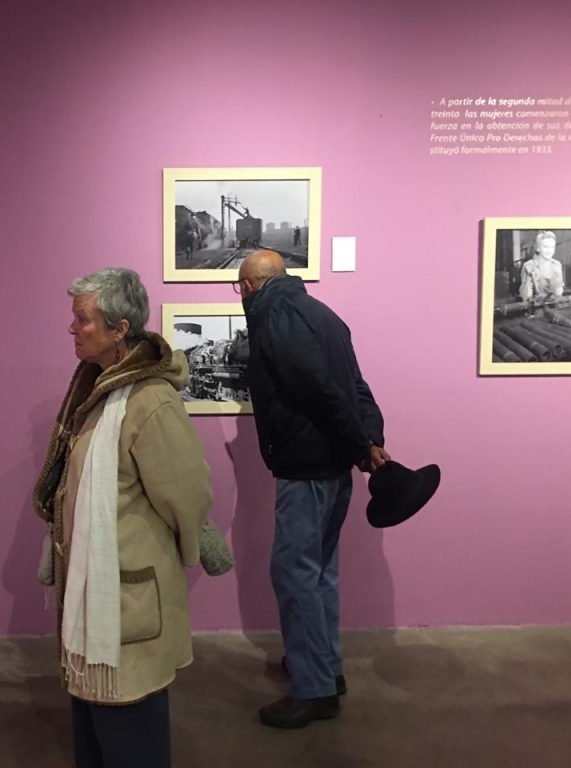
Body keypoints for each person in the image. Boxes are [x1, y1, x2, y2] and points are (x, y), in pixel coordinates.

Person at [33, 268, 213, 768]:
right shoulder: (98, 393)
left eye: (82, 319)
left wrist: (187, 544)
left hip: (127, 597)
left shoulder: (149, 401)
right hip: (96, 597)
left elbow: (187, 493)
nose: (72, 328)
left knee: (132, 732)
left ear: (120, 328)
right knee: (98, 730)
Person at [236, 249, 389, 729]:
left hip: (305, 469)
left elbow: (320, 390)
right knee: (320, 572)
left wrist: (360, 442)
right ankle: (325, 667)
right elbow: (356, 386)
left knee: (296, 574)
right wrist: (369, 440)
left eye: (239, 287)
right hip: (335, 466)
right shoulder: (325, 315)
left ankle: (314, 689)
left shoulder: (275, 318)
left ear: (250, 286)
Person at [519, 231, 564, 307]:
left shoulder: (557, 265)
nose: (549, 251)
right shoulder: (529, 266)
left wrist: (558, 286)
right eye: (545, 247)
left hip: (554, 307)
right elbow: (526, 296)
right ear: (538, 248)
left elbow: (558, 293)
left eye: (552, 247)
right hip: (535, 309)